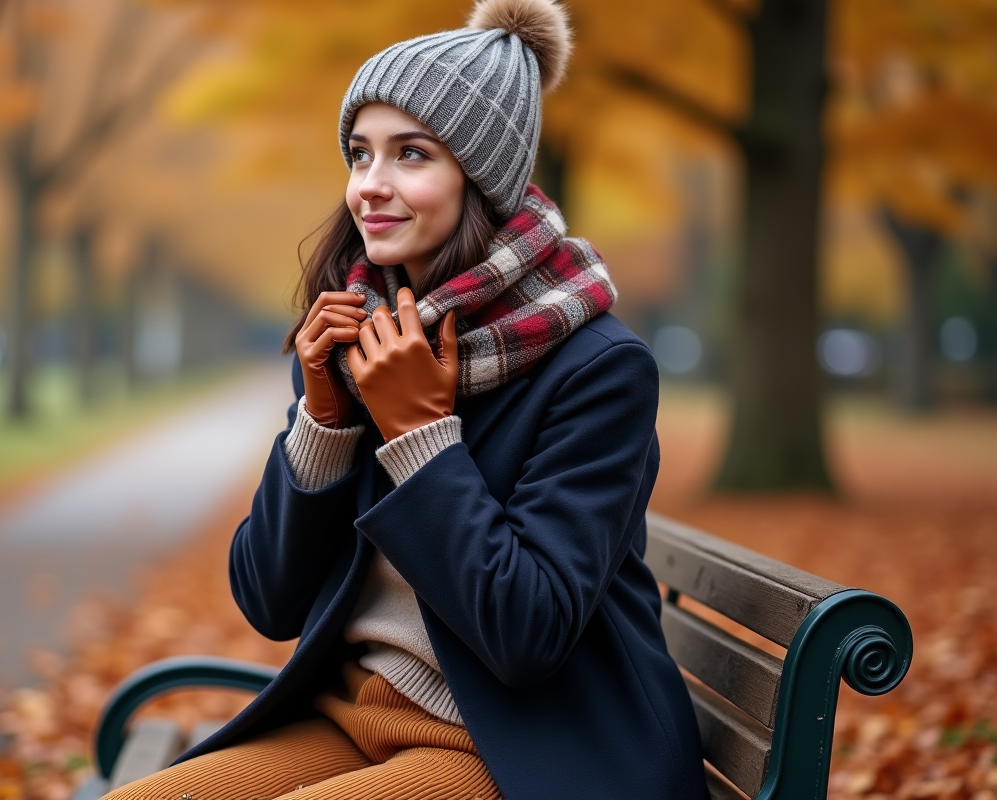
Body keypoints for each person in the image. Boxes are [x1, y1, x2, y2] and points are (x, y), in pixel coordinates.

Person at [102, 0, 708, 797]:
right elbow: (270, 601)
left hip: (518, 750)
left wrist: (421, 433)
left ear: (481, 177)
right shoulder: (360, 337)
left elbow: (527, 632)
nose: (369, 188)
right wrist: (324, 423)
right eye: (360, 154)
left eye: (411, 155)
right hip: (352, 718)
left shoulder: (596, 369)